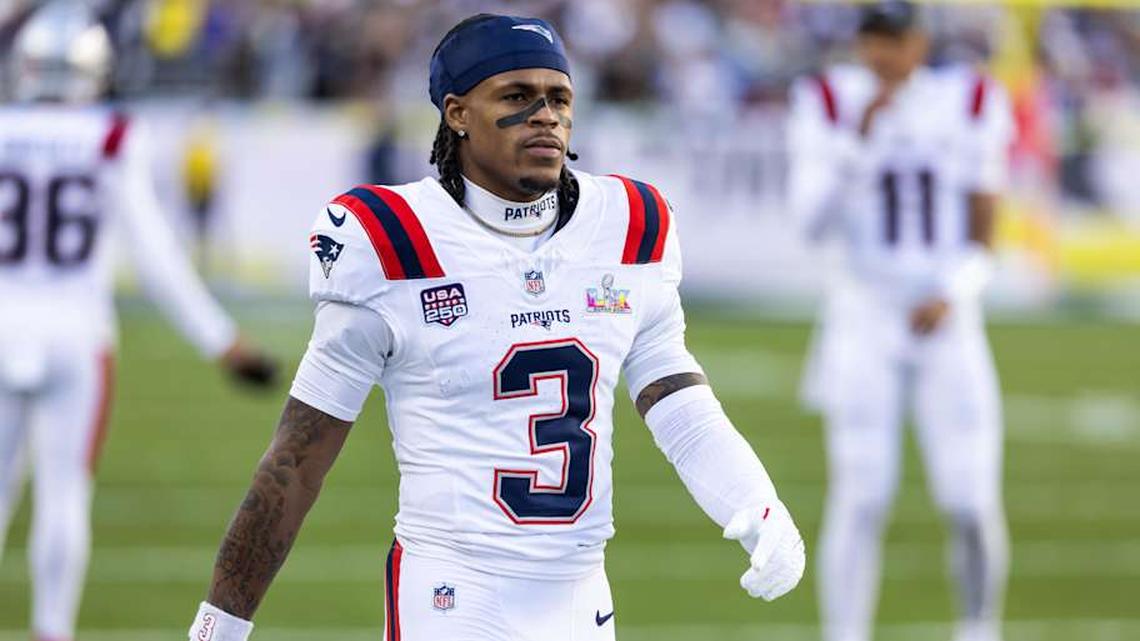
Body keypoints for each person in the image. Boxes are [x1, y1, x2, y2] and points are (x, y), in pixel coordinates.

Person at [188, 13, 804, 641]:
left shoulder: (628, 225)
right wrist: (218, 627)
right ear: (457, 113)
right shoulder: (393, 244)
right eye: (516, 96)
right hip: (451, 594)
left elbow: (677, 401)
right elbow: (296, 460)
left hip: (582, 596)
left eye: (559, 97)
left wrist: (754, 501)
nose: (545, 116)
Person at [0, 4, 277, 640]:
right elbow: (154, 255)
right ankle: (51, 629)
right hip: (77, 334)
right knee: (64, 493)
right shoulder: (110, 134)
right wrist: (220, 340)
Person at [789, 3, 1014, 641]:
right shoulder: (830, 99)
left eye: (895, 38)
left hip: (947, 318)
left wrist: (953, 291)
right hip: (864, 312)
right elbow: (809, 223)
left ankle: (979, 631)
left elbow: (985, 231)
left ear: (919, 42)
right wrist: (858, 140)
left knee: (970, 497)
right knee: (863, 493)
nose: (883, 53)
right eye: (873, 39)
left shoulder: (969, 98)